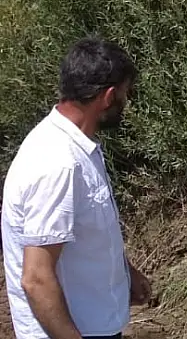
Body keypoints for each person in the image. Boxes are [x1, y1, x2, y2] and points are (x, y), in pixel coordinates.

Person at [2, 36, 152, 339]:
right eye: (126, 94)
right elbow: (36, 278)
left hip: (94, 321)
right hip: (73, 330)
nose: (127, 103)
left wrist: (125, 272)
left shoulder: (77, 147)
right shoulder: (58, 163)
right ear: (109, 97)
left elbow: (83, 230)